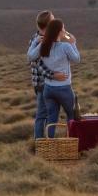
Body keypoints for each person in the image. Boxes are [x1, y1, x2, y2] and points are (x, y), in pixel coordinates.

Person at [27, 18, 80, 138]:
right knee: (71, 116)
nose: (65, 32)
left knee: (51, 119)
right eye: (63, 29)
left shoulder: (43, 46)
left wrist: (35, 42)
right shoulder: (66, 46)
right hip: (64, 89)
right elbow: (77, 59)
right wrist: (73, 43)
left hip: (48, 89)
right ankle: (71, 143)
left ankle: (49, 145)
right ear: (59, 32)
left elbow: (30, 57)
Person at [29, 11, 68, 139]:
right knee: (42, 115)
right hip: (42, 83)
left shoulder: (49, 38)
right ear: (48, 24)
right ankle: (40, 144)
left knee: (51, 115)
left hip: (50, 84)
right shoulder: (38, 40)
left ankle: (47, 142)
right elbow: (37, 63)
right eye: (53, 19)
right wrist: (53, 75)